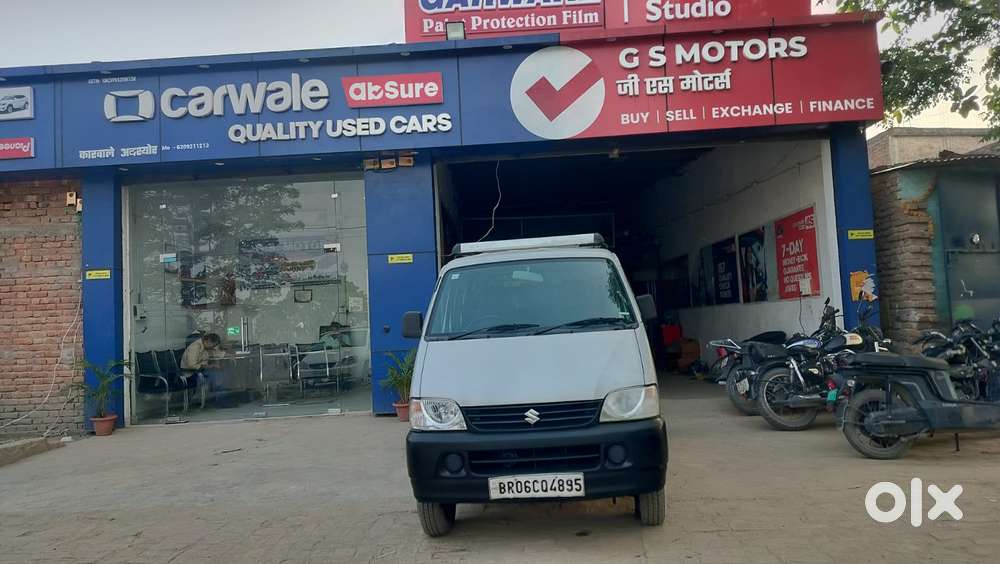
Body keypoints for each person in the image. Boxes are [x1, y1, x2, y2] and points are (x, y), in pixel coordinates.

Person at [180, 333, 222, 408]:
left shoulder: (205, 347)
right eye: (213, 345)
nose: (213, 347)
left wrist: (226, 354)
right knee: (216, 375)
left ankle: (218, 398)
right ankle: (217, 400)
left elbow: (216, 353)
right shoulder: (195, 347)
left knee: (220, 373)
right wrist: (209, 366)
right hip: (190, 372)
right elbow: (191, 365)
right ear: (207, 341)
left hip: (200, 370)